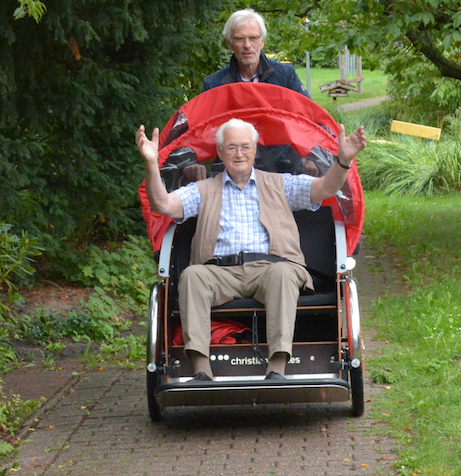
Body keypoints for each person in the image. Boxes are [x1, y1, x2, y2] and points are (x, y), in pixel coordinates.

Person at [136, 117, 366, 380]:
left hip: (270, 268)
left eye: (246, 146)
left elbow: (324, 187)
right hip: (219, 271)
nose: (239, 154)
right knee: (191, 276)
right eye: (231, 147)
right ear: (220, 152)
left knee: (281, 273)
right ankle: (201, 370)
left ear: (255, 149)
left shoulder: (280, 183)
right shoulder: (204, 190)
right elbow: (163, 205)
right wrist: (151, 163)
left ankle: (277, 368)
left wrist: (343, 161)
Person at [202, 9, 310, 97]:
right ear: (229, 44)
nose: (247, 45)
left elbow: (309, 115)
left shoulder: (285, 77)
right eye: (240, 39)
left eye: (253, 38)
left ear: (262, 41)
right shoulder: (214, 85)